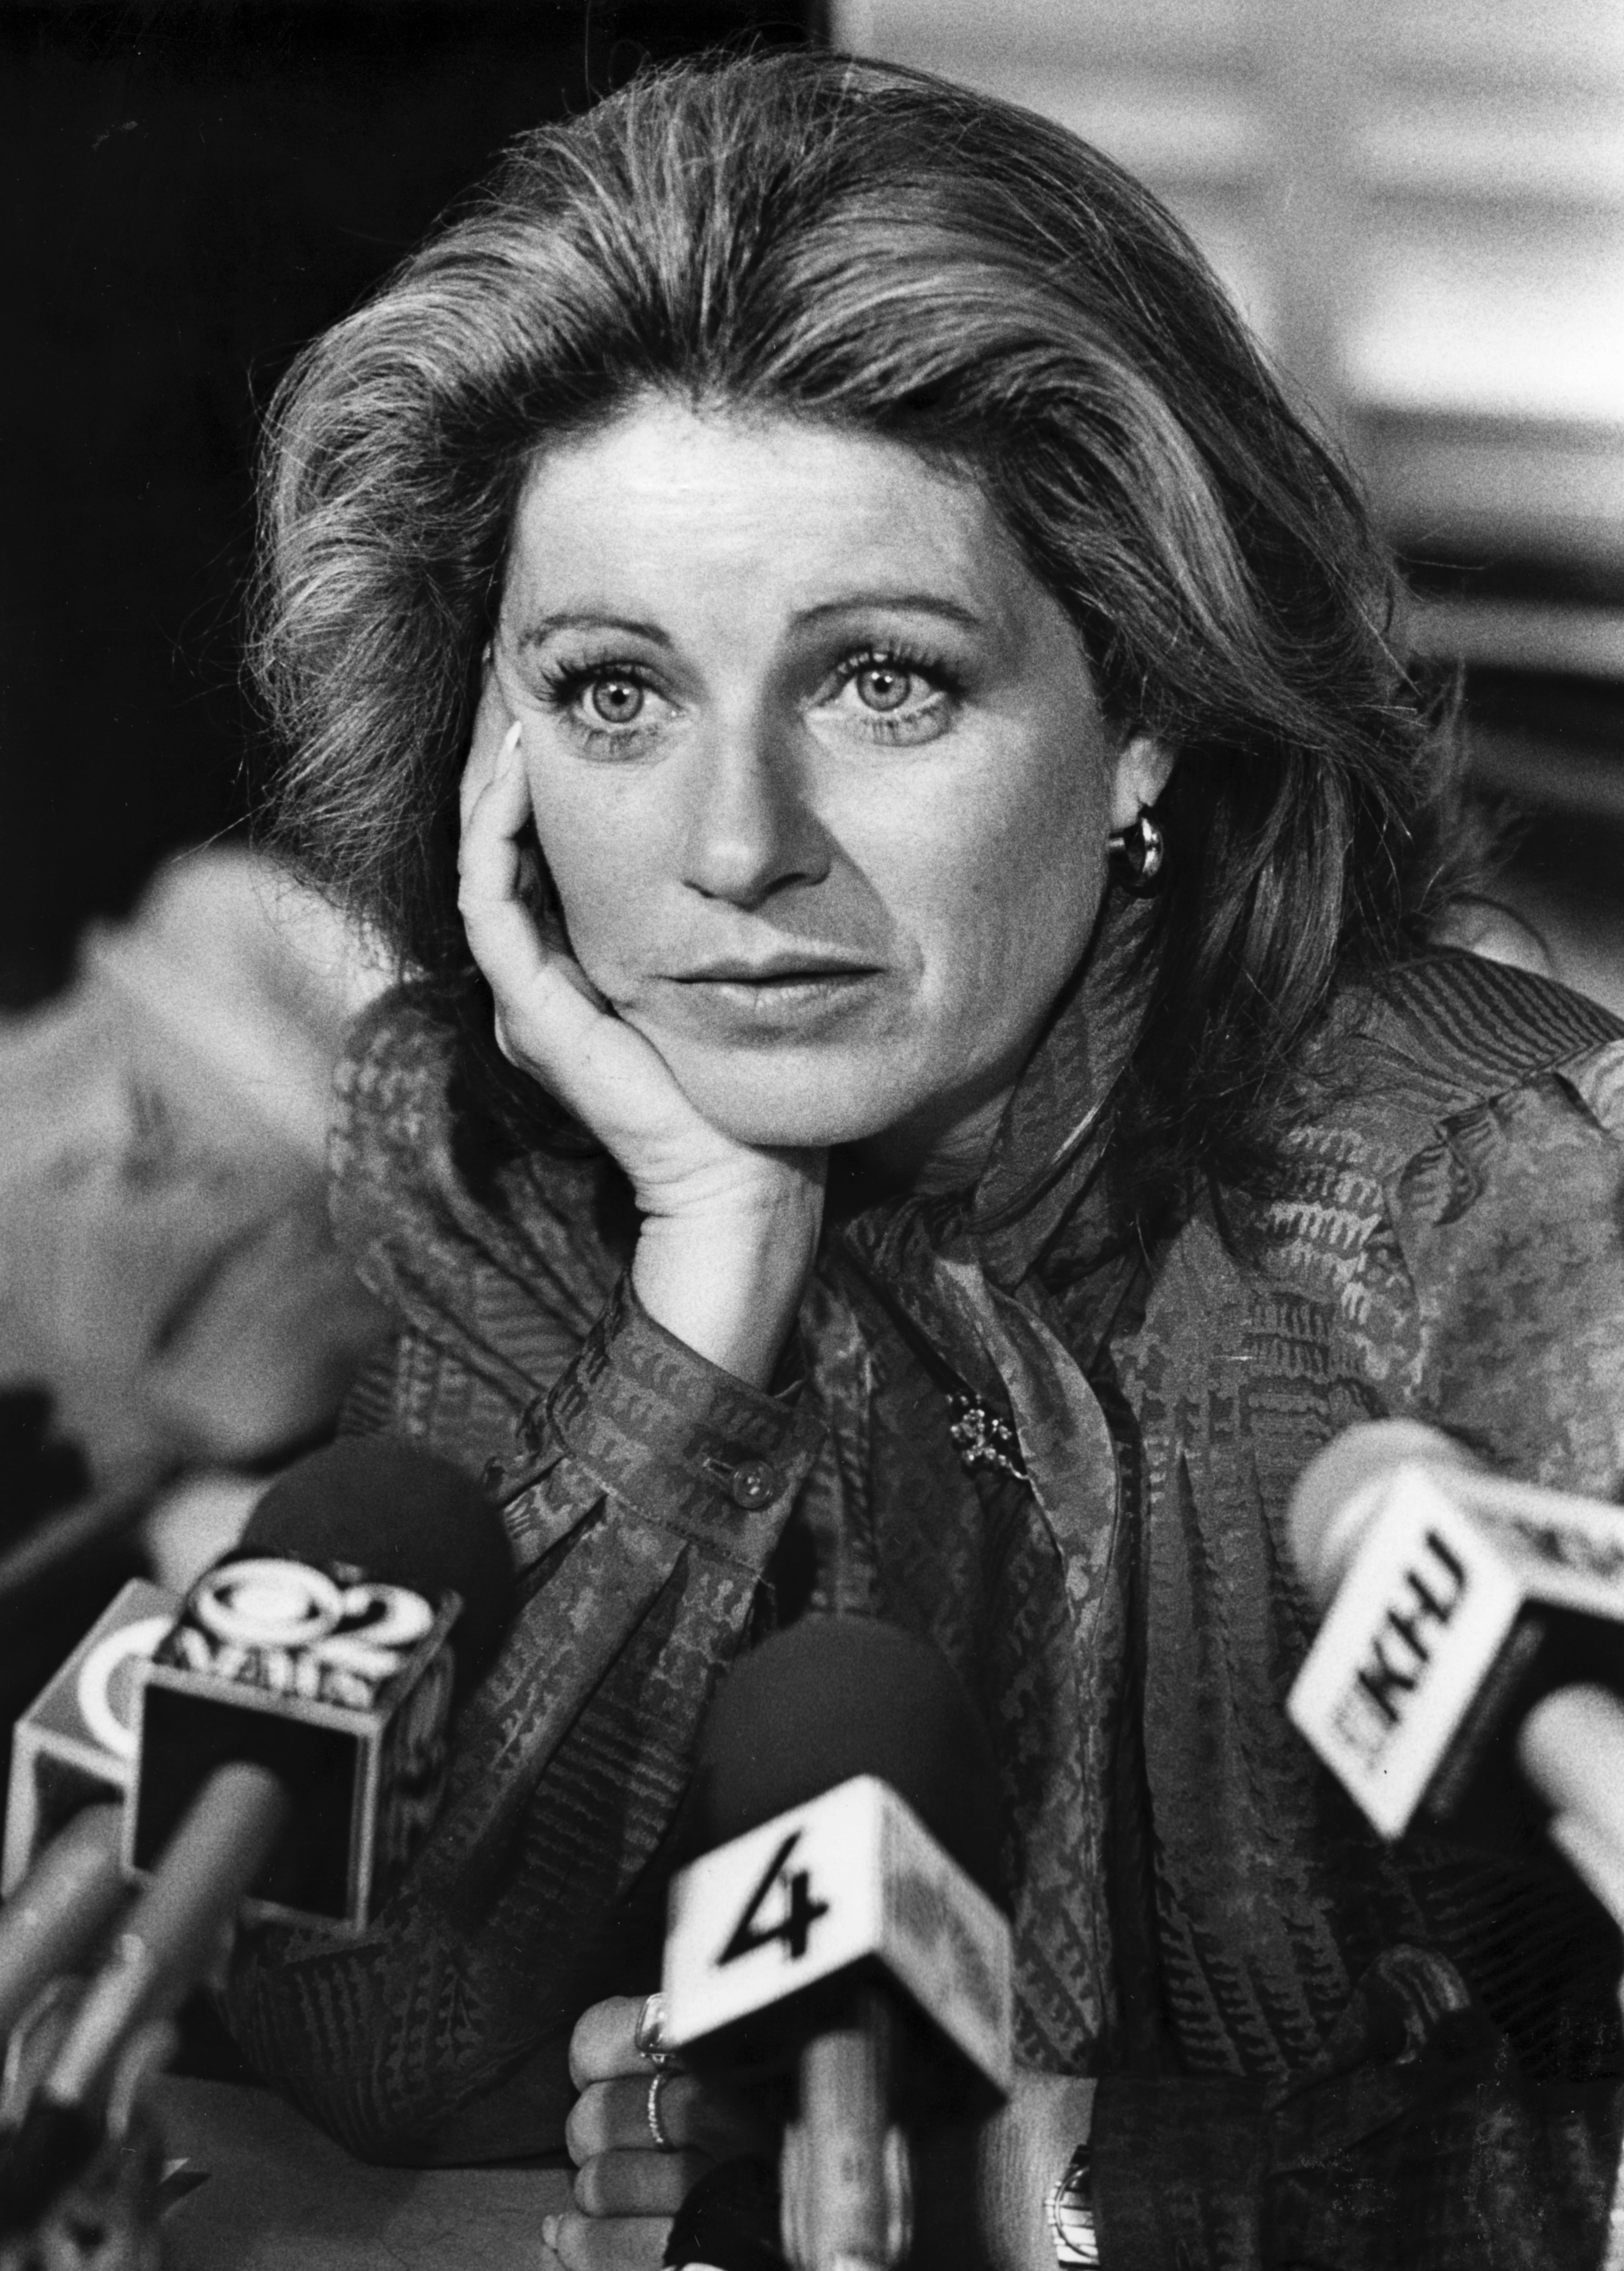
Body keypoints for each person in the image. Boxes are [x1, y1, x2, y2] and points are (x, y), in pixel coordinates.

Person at [220, 49, 1624, 2270]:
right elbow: (391, 2052)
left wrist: (1020, 2189)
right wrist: (709, 1285)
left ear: (1147, 710)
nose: (735, 850)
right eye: (613, 694)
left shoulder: (1466, 1185)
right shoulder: (519, 1155)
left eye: (880, 681)